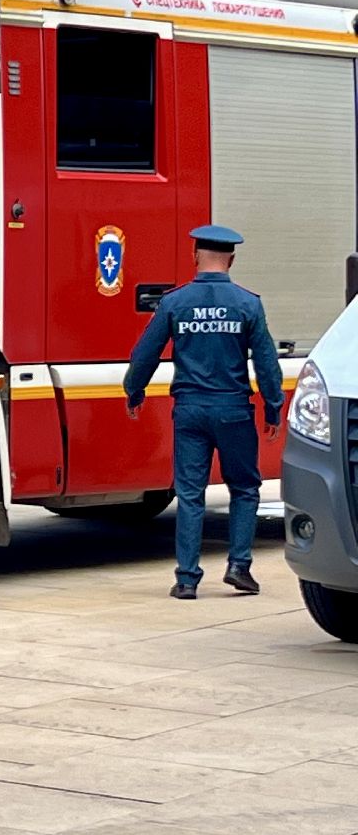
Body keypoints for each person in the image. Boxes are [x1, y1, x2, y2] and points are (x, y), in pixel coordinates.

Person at [124, 225, 284, 600]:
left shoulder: (175, 302)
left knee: (191, 493)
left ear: (195, 256)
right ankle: (239, 568)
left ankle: (186, 579)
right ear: (232, 258)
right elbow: (266, 364)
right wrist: (273, 409)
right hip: (233, 411)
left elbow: (144, 353)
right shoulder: (248, 303)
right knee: (244, 489)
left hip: (190, 411)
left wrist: (135, 390)